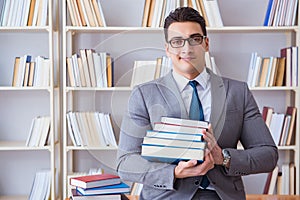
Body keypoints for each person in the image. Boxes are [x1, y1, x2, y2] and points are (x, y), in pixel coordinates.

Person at [116, 7, 278, 200]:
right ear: (167, 49)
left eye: (195, 39)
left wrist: (223, 158)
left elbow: (268, 155)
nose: (187, 48)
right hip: (168, 195)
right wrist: (174, 172)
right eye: (177, 41)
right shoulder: (144, 94)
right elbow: (126, 163)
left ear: (206, 43)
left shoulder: (237, 92)